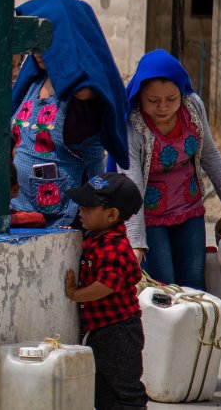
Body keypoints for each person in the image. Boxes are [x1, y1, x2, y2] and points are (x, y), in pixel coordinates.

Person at [117, 49, 221, 289]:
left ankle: (198, 328)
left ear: (182, 92)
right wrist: (135, 241)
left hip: (189, 208)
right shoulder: (132, 125)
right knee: (164, 286)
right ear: (139, 96)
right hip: (150, 215)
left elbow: (210, 154)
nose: (163, 107)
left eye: (171, 99)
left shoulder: (193, 108)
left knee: (194, 283)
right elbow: (131, 185)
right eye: (153, 100)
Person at [11, 0, 129, 227]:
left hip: (68, 219)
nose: (37, 52)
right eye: (34, 43)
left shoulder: (86, 93)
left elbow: (79, 82)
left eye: (46, 43)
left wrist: (63, 50)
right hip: (23, 213)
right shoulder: (34, 82)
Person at [63, 173, 148, 410]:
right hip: (100, 330)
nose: (81, 209)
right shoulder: (95, 237)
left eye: (89, 206)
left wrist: (75, 294)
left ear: (112, 215)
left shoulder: (114, 246)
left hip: (119, 331)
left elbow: (105, 285)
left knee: (126, 391)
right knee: (101, 392)